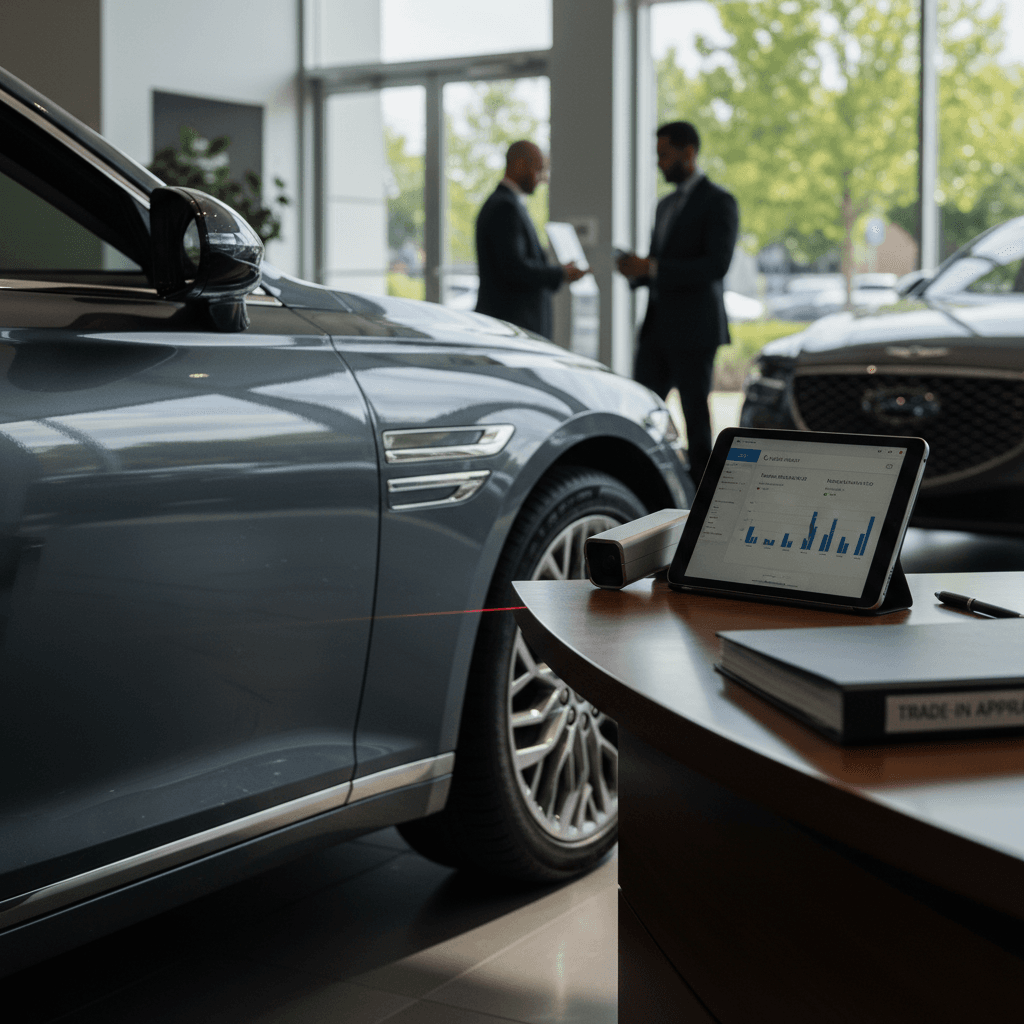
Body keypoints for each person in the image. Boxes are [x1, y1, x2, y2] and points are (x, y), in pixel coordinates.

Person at [617, 121, 738, 480]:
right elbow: (661, 265)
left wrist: (653, 267)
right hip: (656, 330)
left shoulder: (719, 202)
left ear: (689, 152)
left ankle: (703, 495)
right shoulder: (664, 205)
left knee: (695, 421)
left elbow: (716, 265)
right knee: (642, 412)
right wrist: (637, 271)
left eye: (664, 155)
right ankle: (643, 485)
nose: (659, 163)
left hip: (694, 331)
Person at [475, 140, 586, 338]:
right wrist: (560, 273)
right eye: (539, 169)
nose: (543, 178)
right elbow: (515, 269)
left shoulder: (508, 204)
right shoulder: (505, 207)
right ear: (519, 165)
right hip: (513, 327)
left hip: (513, 325)